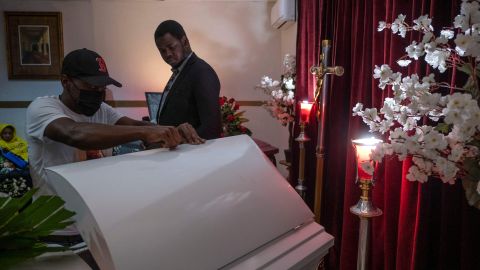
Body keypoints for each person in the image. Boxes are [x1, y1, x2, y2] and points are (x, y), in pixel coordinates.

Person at [26, 48, 205, 197]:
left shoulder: (102, 110)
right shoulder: (42, 107)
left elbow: (137, 126)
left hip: (96, 220)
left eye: (102, 88)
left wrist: (173, 131)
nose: (97, 93)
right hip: (55, 228)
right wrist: (143, 133)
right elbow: (75, 133)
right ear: (66, 82)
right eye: (91, 87)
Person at [154, 20, 222, 140]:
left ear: (184, 42)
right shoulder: (180, 71)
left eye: (171, 47)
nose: (167, 54)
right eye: (162, 51)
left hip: (190, 154)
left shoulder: (201, 72)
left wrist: (178, 142)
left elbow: (212, 128)